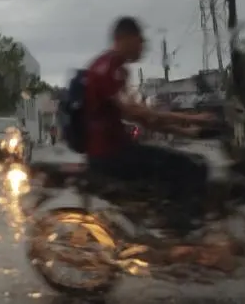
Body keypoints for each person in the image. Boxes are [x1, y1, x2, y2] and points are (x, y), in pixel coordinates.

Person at [85, 16, 216, 235]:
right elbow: (135, 112)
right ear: (124, 38)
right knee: (192, 167)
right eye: (140, 40)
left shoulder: (117, 70)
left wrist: (187, 131)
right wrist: (193, 119)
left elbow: (144, 120)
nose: (143, 46)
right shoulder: (107, 68)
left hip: (114, 149)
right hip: (109, 154)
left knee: (180, 162)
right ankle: (181, 236)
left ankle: (162, 221)